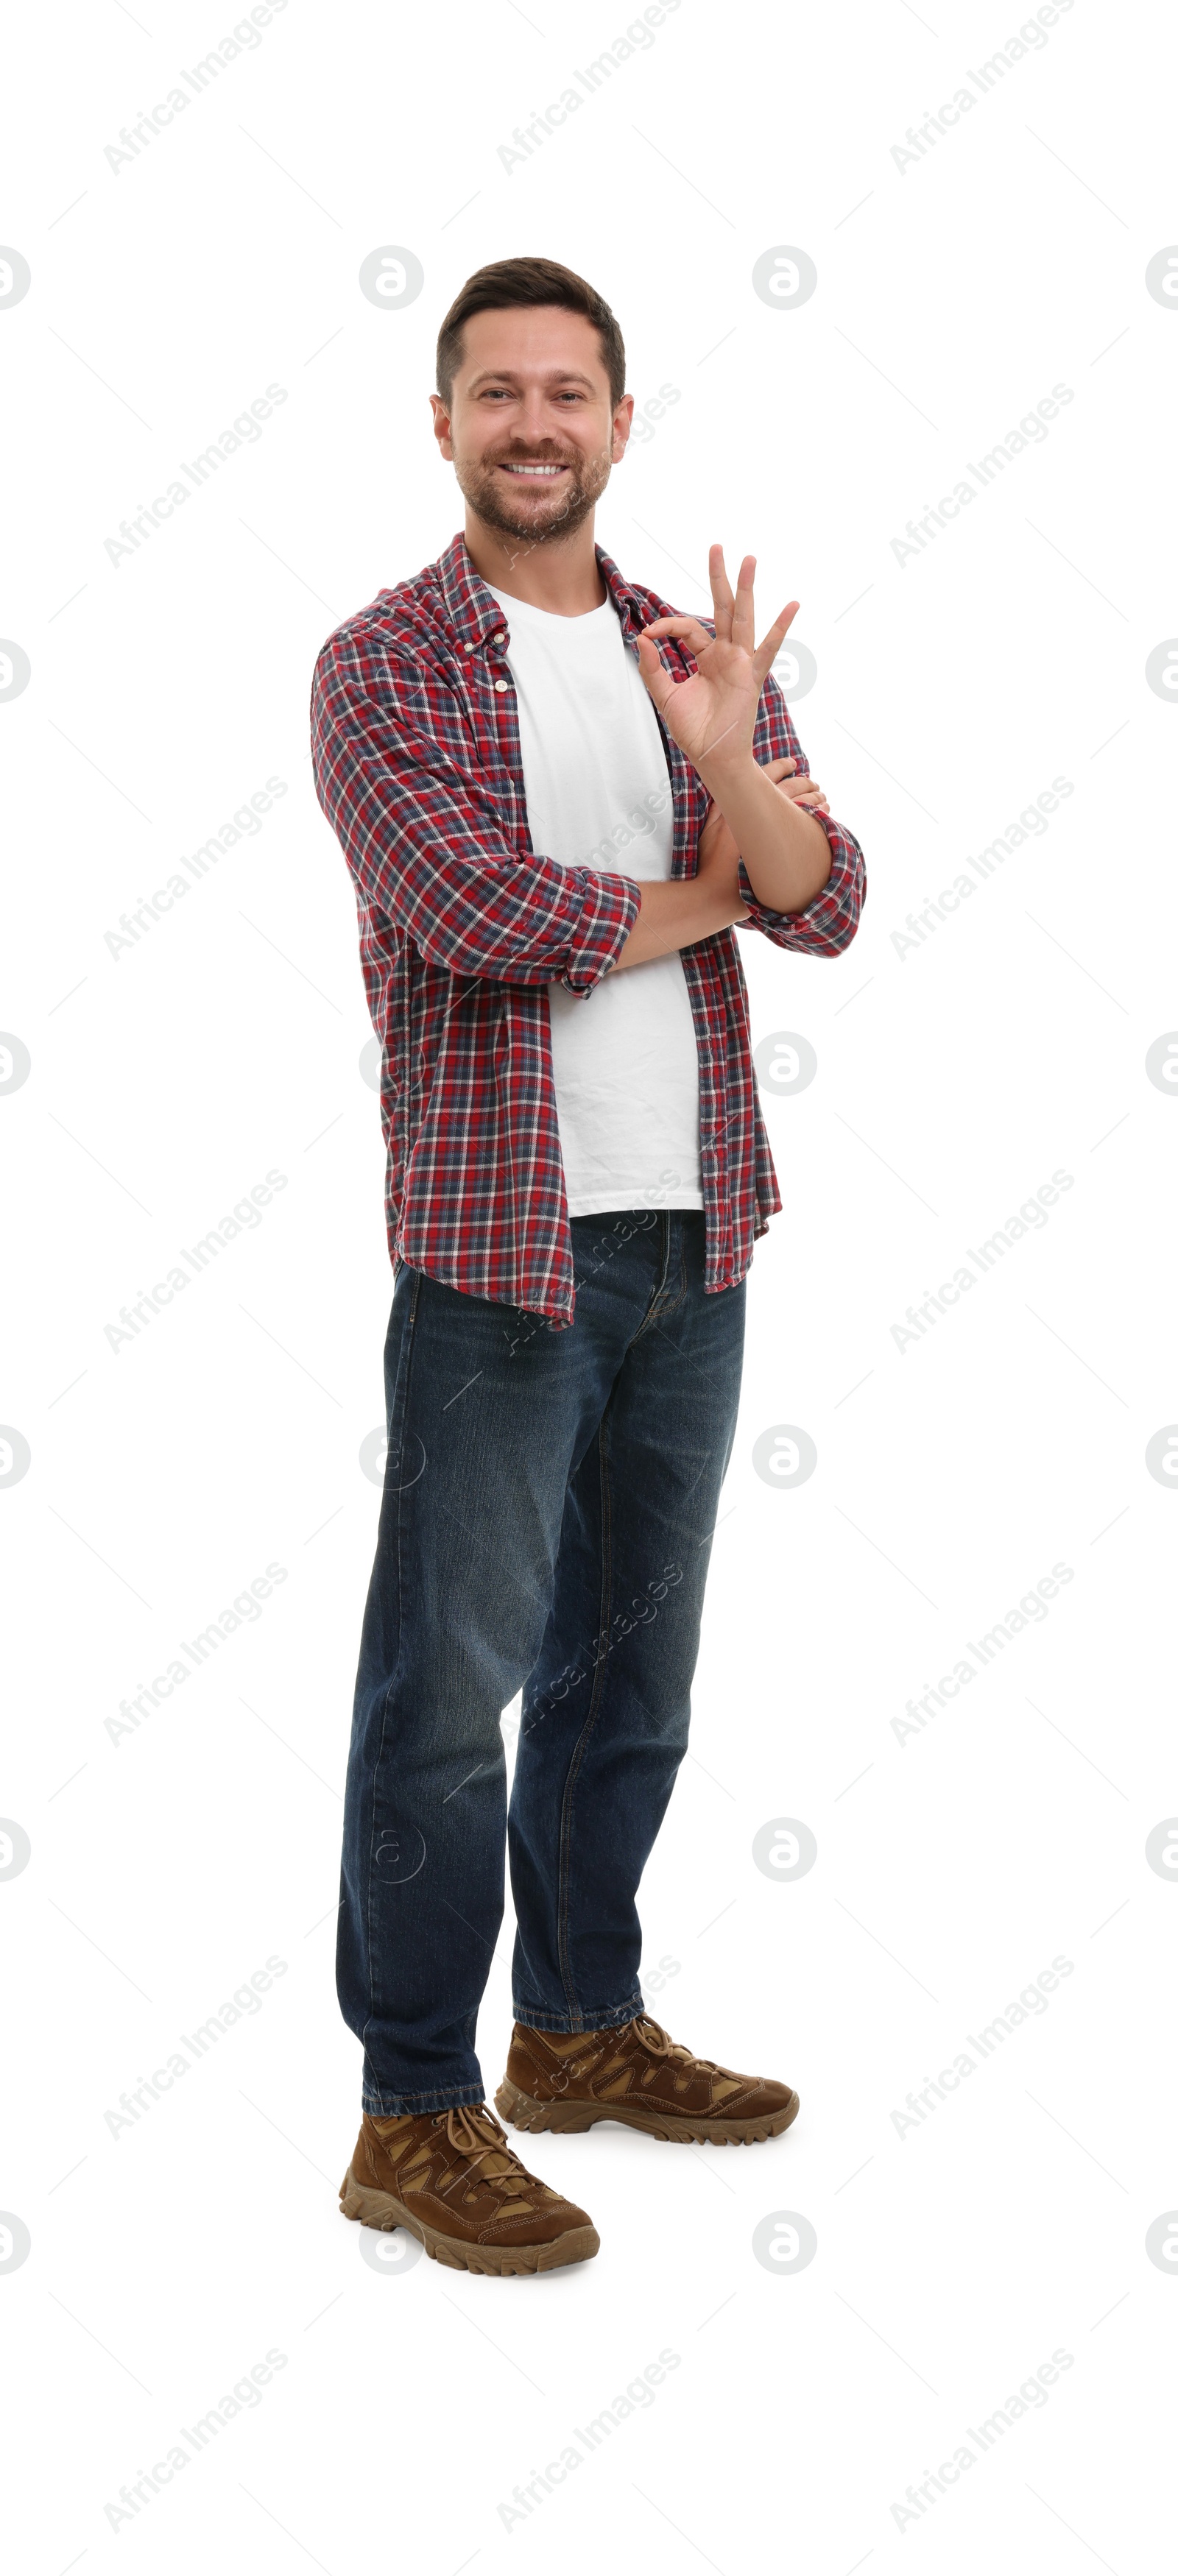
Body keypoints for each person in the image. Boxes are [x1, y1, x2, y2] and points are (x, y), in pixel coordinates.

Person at [311, 255, 866, 2276]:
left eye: (571, 392)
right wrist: (708, 886)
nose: (534, 423)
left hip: (694, 1237)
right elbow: (476, 916)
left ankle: (576, 2032)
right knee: (447, 1703)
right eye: (497, 393)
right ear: (445, 426)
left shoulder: (686, 647)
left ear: (622, 423)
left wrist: (726, 761)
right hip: (493, 1257)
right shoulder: (380, 663)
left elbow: (825, 900)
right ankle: (409, 2110)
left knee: (630, 1677)